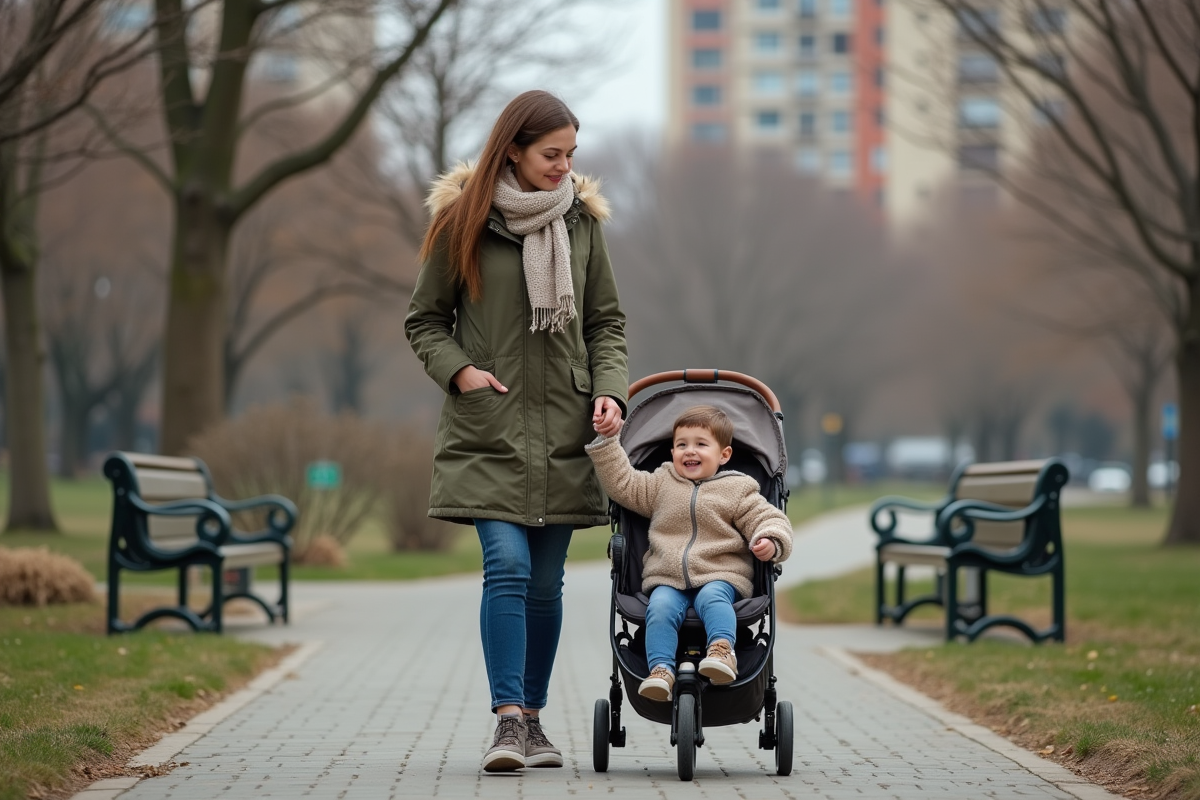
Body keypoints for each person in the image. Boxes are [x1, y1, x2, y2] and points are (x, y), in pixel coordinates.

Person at [405, 90, 627, 773]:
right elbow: (424, 321)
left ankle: (533, 718)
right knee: (506, 565)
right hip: (489, 430)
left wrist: (611, 391)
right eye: (550, 154)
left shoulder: (583, 225)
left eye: (570, 155)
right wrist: (461, 372)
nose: (563, 167)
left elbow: (605, 325)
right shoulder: (461, 223)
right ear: (513, 152)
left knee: (546, 582)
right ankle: (507, 722)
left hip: (564, 427)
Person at [585, 405, 792, 702]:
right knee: (660, 607)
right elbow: (623, 484)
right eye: (681, 445)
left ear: (724, 454)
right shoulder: (661, 483)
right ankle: (660, 670)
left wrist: (771, 540)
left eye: (700, 444)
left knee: (712, 597)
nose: (689, 451)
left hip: (720, 575)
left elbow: (769, 519)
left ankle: (722, 652)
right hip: (667, 577)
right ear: (672, 451)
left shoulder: (738, 489)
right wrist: (608, 442)